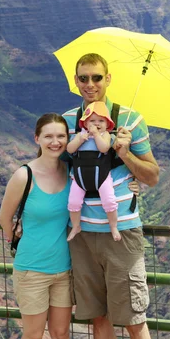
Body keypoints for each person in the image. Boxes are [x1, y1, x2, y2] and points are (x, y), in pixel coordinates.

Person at [62, 53, 160, 339]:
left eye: (96, 77)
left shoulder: (131, 120)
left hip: (122, 234)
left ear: (108, 79)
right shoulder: (68, 121)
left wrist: (125, 154)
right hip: (81, 235)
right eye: (83, 78)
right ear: (76, 80)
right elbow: (56, 167)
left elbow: (152, 176)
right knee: (98, 317)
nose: (89, 84)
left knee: (133, 319)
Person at [0, 113, 73, 339]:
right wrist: (21, 241)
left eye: (61, 136)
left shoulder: (70, 171)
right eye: (48, 136)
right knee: (33, 336)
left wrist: (132, 186)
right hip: (32, 271)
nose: (55, 142)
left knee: (61, 335)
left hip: (65, 270)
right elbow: (4, 218)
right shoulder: (24, 176)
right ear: (36, 139)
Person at [67, 101, 120, 242]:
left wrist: (97, 135)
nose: (97, 124)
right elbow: (70, 149)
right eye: (92, 121)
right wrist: (79, 140)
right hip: (80, 178)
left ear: (107, 124)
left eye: (101, 121)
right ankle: (76, 226)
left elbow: (104, 149)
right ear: (85, 123)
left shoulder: (106, 135)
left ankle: (113, 226)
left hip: (101, 177)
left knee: (109, 200)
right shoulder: (80, 135)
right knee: (73, 202)